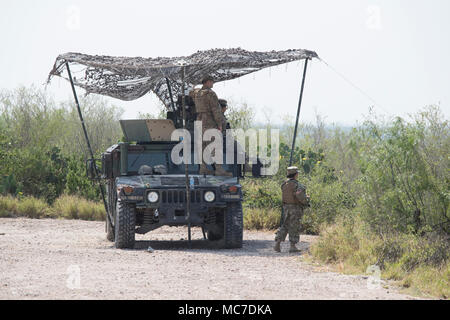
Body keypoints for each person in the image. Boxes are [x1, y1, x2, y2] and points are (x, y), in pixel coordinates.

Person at [193, 76, 231, 176]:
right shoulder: (211, 94)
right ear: (208, 82)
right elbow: (216, 110)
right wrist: (220, 124)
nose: (212, 84)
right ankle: (218, 169)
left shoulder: (197, 94)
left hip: (199, 121)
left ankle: (203, 169)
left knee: (203, 146)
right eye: (212, 82)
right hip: (209, 121)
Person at [274, 166, 310, 253]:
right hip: (295, 208)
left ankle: (277, 244)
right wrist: (306, 200)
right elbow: (300, 196)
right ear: (296, 174)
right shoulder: (298, 185)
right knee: (294, 226)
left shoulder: (284, 184)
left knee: (285, 225)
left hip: (286, 207)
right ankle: (292, 246)